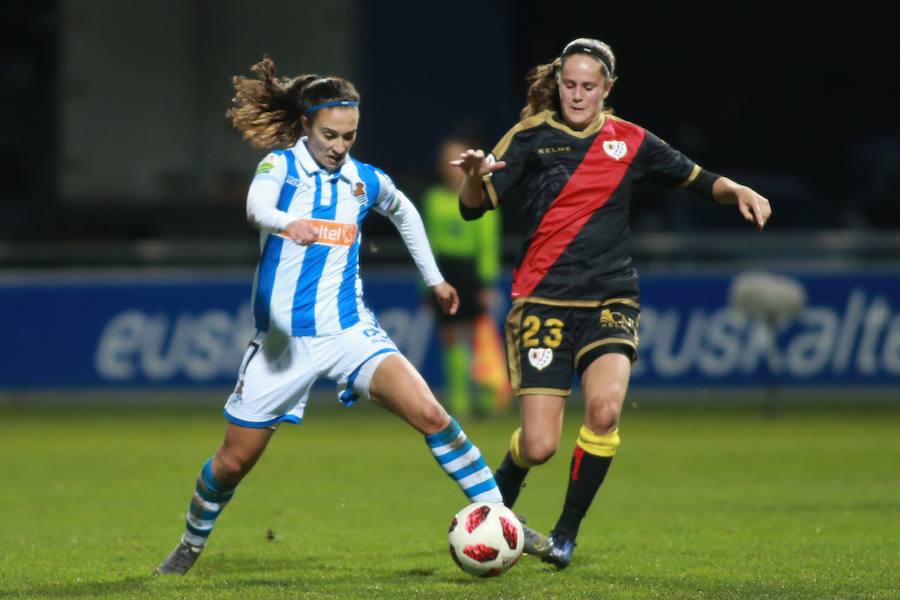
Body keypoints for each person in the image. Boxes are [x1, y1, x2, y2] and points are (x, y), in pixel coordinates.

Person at [155, 57, 547, 575]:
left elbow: (404, 211)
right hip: (283, 344)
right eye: (330, 135)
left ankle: (503, 519)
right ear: (306, 126)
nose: (340, 146)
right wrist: (286, 223)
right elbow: (255, 207)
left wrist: (434, 278)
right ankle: (189, 544)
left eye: (350, 135)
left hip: (349, 331)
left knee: (432, 415)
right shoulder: (280, 167)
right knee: (232, 462)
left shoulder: (361, 180)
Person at [454, 38, 772, 569]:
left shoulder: (633, 141)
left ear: (608, 89)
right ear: (557, 84)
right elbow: (473, 209)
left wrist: (737, 188)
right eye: (570, 85)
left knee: (604, 411)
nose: (578, 95)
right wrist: (470, 177)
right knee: (538, 446)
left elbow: (698, 180)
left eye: (589, 86)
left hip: (611, 296)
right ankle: (495, 507)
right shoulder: (530, 137)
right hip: (543, 303)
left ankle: (563, 535)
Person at [422, 137, 507, 417]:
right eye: (447, 160)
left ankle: (487, 396)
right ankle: (458, 401)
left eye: (457, 160)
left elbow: (488, 244)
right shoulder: (433, 199)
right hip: (444, 270)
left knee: (477, 337)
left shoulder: (481, 198)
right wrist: (428, 282)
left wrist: (486, 283)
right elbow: (428, 243)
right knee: (450, 337)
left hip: (470, 272)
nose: (452, 167)